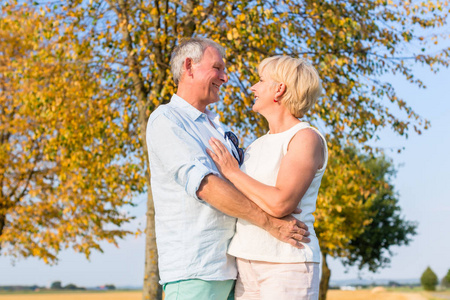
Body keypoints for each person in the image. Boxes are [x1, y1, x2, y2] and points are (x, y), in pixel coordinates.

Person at [146, 38, 310, 300]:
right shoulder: (167, 120)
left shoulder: (218, 129)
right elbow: (206, 186)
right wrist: (271, 223)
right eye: (218, 68)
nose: (225, 77)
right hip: (196, 271)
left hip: (234, 271)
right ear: (189, 66)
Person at [207, 55, 327, 300]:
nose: (253, 87)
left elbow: (281, 203)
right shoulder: (255, 146)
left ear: (279, 89)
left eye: (261, 80)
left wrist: (232, 172)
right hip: (246, 264)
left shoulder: (305, 138)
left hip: (286, 264)